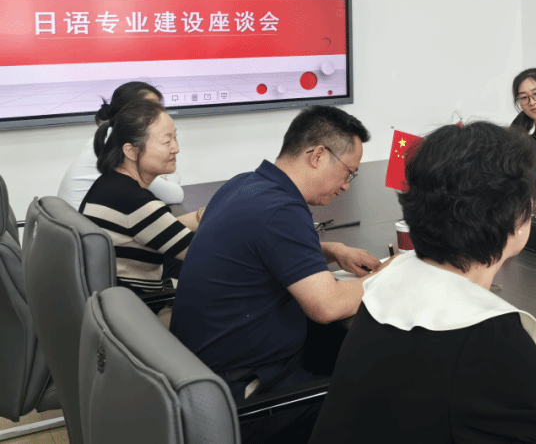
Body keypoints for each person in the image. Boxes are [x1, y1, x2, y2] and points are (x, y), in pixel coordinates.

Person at [310, 121, 536, 444]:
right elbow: (483, 369)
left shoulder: (390, 279)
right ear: (516, 221)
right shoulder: (491, 337)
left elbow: (449, 382)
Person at [171, 105, 383, 444]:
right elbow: (327, 305)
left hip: (204, 378)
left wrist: (332, 250)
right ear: (318, 155)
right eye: (349, 173)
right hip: (249, 399)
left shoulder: (245, 184)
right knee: (380, 394)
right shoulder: (282, 210)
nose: (346, 186)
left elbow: (258, 248)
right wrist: (391, 274)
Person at [80, 98, 200, 294]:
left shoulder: (109, 184)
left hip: (112, 301)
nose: (176, 148)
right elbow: (207, 255)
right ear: (131, 151)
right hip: (140, 307)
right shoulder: (136, 202)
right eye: (167, 141)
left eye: (175, 138)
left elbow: (160, 228)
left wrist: (202, 216)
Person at [59, 81, 184, 209]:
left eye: (159, 107)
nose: (159, 114)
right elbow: (175, 195)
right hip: (87, 220)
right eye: (150, 108)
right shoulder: (121, 144)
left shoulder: (108, 135)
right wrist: (170, 178)